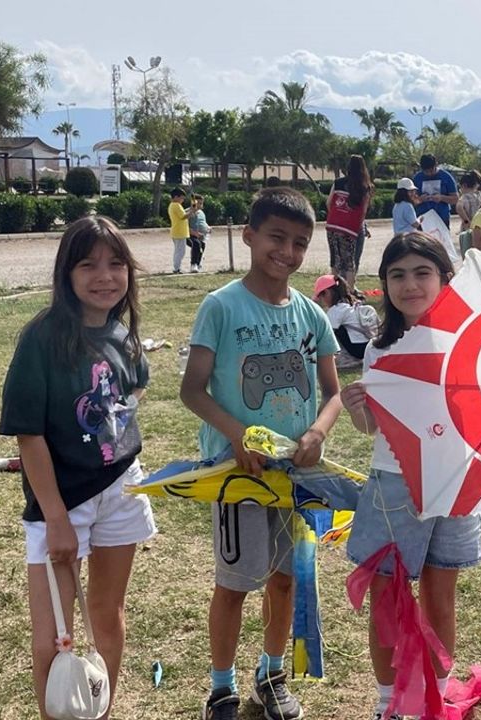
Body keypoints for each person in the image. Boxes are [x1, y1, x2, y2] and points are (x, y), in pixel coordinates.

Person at [180, 188, 343, 720]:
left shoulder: (310, 316)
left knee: (286, 578)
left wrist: (317, 432)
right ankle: (221, 688)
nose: (288, 252)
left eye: (300, 243)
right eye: (276, 237)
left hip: (294, 478)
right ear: (249, 237)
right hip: (237, 476)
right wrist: (235, 435)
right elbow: (193, 389)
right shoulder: (221, 306)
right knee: (235, 584)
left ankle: (270, 676)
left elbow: (333, 390)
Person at [0, 216, 158, 720]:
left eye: (116, 264)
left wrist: (119, 432)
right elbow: (30, 435)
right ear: (66, 273)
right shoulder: (42, 339)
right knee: (54, 635)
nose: (104, 276)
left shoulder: (123, 334)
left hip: (122, 492)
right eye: (88, 265)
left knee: (107, 617)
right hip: (61, 504)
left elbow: (136, 387)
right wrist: (57, 518)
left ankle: (100, 711)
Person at [339, 232, 481, 720]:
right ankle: (388, 704)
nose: (410, 285)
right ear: (384, 285)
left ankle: (435, 697)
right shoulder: (381, 349)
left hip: (454, 483)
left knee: (442, 595)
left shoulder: (472, 342)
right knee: (388, 594)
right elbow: (373, 429)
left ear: (445, 279)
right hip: (394, 484)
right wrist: (358, 408)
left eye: (422, 273)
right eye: (397, 275)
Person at [327, 154, 375, 292]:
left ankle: (333, 291)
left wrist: (338, 217)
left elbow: (329, 203)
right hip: (351, 229)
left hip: (333, 226)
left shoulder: (338, 182)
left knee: (335, 261)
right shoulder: (365, 187)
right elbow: (363, 212)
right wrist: (359, 226)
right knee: (350, 262)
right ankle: (350, 292)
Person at [313, 273, 375, 364]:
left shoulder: (336, 310)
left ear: (327, 292)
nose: (322, 301)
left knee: (331, 330)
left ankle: (346, 357)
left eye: (320, 297)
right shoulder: (349, 304)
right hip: (368, 345)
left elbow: (322, 334)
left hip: (358, 350)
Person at [412, 154, 458, 228]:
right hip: (422, 219)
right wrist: (420, 199)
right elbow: (410, 201)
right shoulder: (417, 178)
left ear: (436, 165)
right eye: (426, 171)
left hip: (442, 218)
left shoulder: (446, 177)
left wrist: (442, 198)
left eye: (431, 171)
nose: (429, 174)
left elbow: (455, 199)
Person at [168, 188, 191, 274]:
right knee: (180, 252)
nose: (183, 200)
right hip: (179, 232)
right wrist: (192, 211)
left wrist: (190, 209)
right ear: (176, 197)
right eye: (181, 198)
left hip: (177, 231)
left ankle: (176, 267)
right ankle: (176, 268)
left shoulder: (173, 205)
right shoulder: (176, 205)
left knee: (178, 251)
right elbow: (183, 216)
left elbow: (183, 213)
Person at [188, 194, 211, 273]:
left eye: (201, 203)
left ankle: (198, 264)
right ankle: (193, 264)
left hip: (201, 235)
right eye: (199, 203)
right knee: (196, 244)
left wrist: (208, 228)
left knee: (202, 245)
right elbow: (185, 227)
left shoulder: (201, 213)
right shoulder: (188, 212)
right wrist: (195, 233)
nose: (200, 205)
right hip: (190, 235)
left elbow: (203, 222)